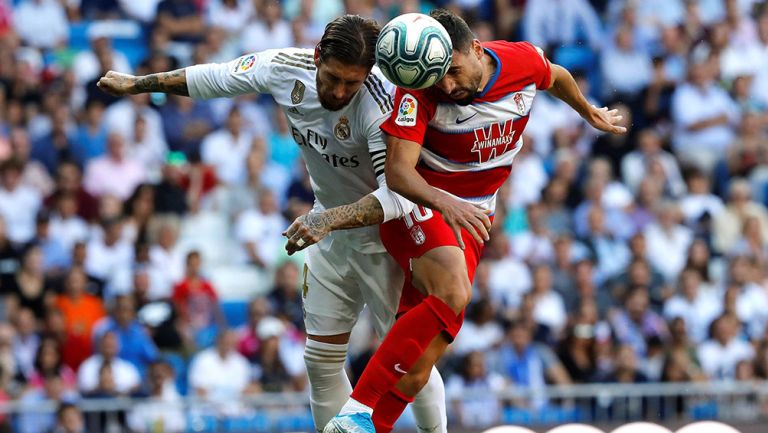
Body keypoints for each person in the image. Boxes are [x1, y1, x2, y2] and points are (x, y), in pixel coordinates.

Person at [97, 15, 447, 433]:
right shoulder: (286, 67)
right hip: (331, 240)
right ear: (317, 56)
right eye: (333, 77)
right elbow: (214, 77)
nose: (338, 92)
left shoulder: (379, 105)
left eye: (350, 84)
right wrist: (139, 84)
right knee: (320, 362)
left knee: (408, 361)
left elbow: (399, 194)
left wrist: (328, 219)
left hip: (385, 243)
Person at [286, 10, 625, 433]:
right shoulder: (419, 91)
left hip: (471, 215)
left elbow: (554, 75)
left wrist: (588, 111)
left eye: (453, 72)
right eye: (438, 76)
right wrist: (447, 203)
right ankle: (357, 409)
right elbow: (398, 174)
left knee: (417, 367)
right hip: (420, 204)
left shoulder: (521, 61)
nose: (446, 85)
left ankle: (368, 425)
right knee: (455, 290)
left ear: (477, 50)